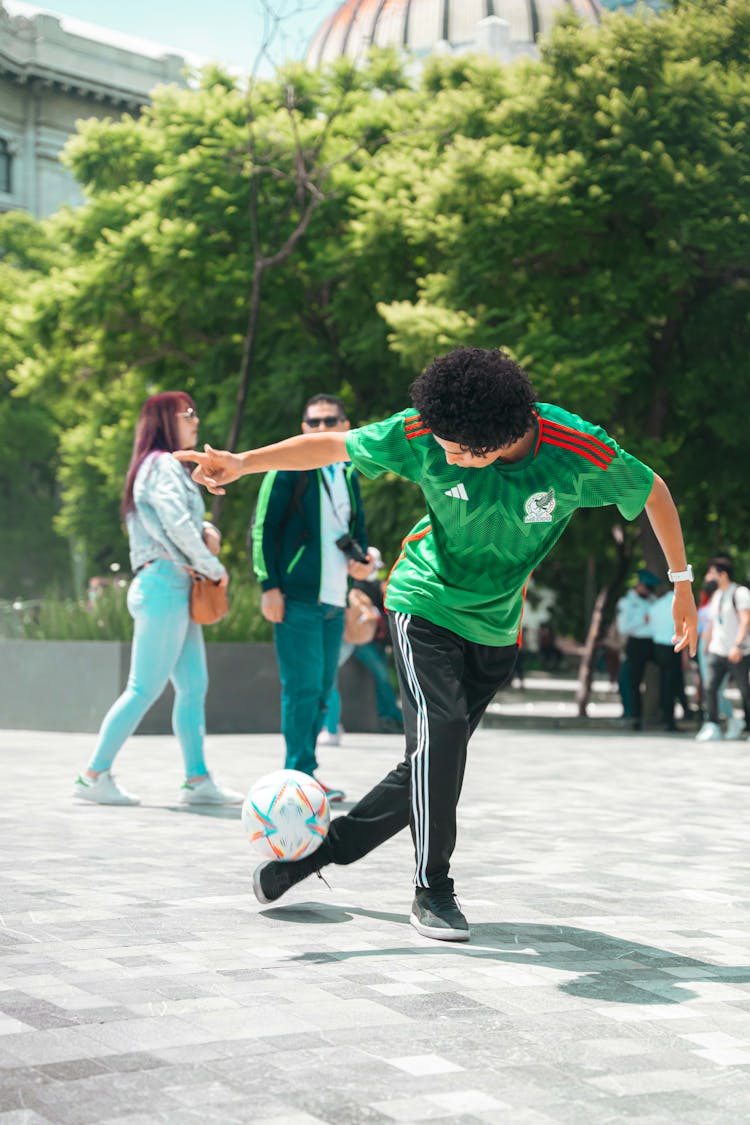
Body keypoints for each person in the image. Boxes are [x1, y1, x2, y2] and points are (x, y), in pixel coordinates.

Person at [178, 347, 697, 943]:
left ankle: (314, 857)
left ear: (495, 438)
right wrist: (244, 462)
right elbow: (334, 446)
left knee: (430, 765)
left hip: (496, 629)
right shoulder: (424, 432)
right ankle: (434, 890)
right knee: (442, 735)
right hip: (422, 603)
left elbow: (652, 489)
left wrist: (682, 585)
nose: (442, 455)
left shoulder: (576, 452)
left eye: (456, 450)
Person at [73, 392, 242, 807]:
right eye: (187, 414)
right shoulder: (162, 464)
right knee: (143, 687)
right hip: (166, 584)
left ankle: (197, 779)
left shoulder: (159, 467)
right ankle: (92, 775)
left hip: (173, 586)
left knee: (193, 685)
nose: (195, 419)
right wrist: (213, 567)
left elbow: (177, 521)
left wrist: (204, 532)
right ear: (165, 420)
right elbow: (176, 523)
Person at [250, 394, 371, 802]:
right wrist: (268, 585)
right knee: (301, 689)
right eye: (313, 423)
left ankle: (306, 773)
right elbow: (262, 528)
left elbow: (358, 533)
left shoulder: (349, 474)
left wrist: (363, 564)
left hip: (335, 599)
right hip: (297, 597)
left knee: (320, 690)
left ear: (345, 426)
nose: (321, 429)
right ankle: (296, 776)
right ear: (303, 429)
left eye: (330, 421)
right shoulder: (287, 468)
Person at [320, 547, 404, 742]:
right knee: (329, 677)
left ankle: (332, 726)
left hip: (360, 641)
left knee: (329, 677)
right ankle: (331, 726)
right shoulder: (350, 583)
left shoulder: (368, 585)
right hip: (353, 639)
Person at [695, 556, 750, 742]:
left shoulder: (740, 593)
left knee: (745, 691)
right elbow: (712, 623)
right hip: (717, 651)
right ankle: (712, 725)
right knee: (709, 687)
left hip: (737, 651)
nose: (709, 577)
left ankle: (747, 726)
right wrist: (706, 645)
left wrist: (737, 645)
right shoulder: (717, 595)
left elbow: (745, 620)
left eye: (712, 573)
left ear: (723, 574)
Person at [615, 568, 660, 730]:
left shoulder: (654, 601)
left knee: (665, 676)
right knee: (631, 682)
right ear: (639, 585)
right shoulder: (626, 603)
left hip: (653, 642)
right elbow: (623, 628)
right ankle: (634, 716)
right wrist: (643, 619)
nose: (649, 592)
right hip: (635, 643)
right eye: (647, 588)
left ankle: (662, 713)